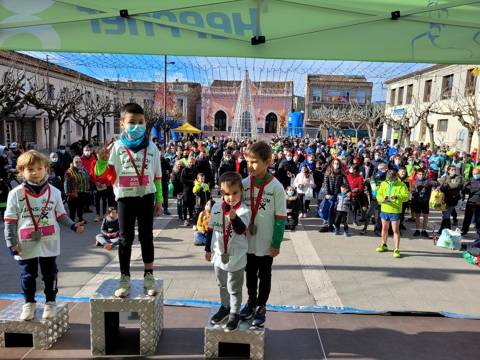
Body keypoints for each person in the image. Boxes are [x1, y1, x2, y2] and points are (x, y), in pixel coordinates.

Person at [3, 150, 84, 320]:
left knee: (50, 273)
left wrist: (73, 226)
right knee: (28, 274)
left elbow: (61, 215)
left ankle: (50, 302)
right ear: (21, 171)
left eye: (40, 168)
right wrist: (11, 241)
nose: (36, 172)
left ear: (46, 169)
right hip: (25, 241)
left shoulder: (54, 192)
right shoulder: (15, 194)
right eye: (30, 169)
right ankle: (29, 303)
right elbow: (10, 220)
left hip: (49, 240)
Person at [94, 103, 163, 298]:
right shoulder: (116, 147)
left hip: (146, 196)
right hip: (125, 198)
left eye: (140, 122)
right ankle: (124, 277)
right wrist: (100, 160)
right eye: (132, 122)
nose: (137, 126)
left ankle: (149, 275)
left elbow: (157, 177)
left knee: (147, 236)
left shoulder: (152, 148)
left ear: (145, 123)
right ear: (122, 124)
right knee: (125, 239)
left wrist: (159, 199)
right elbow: (102, 176)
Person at [240, 141, 287, 328]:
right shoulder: (243, 184)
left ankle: (261, 306)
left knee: (264, 275)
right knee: (249, 273)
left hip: (266, 243)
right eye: (247, 162)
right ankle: (251, 301)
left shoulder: (276, 187)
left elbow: (281, 218)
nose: (250, 166)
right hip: (247, 242)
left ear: (268, 162)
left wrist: (276, 243)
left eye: (254, 162)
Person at [205, 172, 251, 332]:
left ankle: (234, 313)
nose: (230, 197)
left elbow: (240, 229)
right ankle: (225, 306)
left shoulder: (244, 211)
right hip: (218, 254)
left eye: (234, 193)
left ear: (241, 191)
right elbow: (211, 229)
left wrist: (233, 218)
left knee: (234, 287)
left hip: (236, 256)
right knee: (222, 284)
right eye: (226, 194)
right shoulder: (217, 207)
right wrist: (207, 249)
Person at [375, 169, 409, 258]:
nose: (389, 180)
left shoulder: (402, 185)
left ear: (395, 177)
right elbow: (378, 194)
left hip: (395, 210)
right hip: (385, 209)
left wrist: (397, 196)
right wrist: (381, 199)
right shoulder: (383, 183)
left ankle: (396, 249)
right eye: (388, 178)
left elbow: (406, 197)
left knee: (395, 230)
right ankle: (383, 245)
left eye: (391, 179)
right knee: (384, 228)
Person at [64, 156, 90, 223]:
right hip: (73, 193)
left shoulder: (84, 170)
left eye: (79, 162)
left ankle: (80, 219)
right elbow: (66, 183)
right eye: (76, 162)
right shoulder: (69, 171)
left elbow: (88, 178)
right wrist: (68, 193)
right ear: (73, 162)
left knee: (80, 207)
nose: (78, 163)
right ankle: (71, 221)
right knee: (72, 208)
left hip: (83, 192)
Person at [438, 165, 463, 233]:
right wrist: (446, 185)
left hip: (453, 199)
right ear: (448, 170)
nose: (453, 171)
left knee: (446, 215)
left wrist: (447, 184)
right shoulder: (444, 177)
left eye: (454, 169)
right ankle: (443, 229)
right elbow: (441, 186)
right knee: (445, 215)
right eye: (451, 169)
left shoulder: (458, 177)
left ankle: (445, 230)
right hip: (444, 199)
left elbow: (457, 186)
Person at [410, 168, 435, 237]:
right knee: (417, 216)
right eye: (419, 174)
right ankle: (417, 230)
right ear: (417, 175)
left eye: (422, 174)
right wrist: (414, 190)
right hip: (417, 201)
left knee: (425, 216)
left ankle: (424, 230)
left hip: (425, 201)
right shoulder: (414, 182)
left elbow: (436, 184)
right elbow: (412, 191)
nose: (421, 175)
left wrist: (435, 185)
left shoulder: (427, 181)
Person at [461, 167, 480, 236]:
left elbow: (472, 189)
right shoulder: (470, 181)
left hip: (478, 202)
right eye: (474, 173)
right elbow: (465, 191)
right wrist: (465, 187)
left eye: (477, 173)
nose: (475, 175)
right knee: (467, 217)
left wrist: (471, 188)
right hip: (470, 201)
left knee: (478, 218)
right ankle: (464, 230)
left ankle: (478, 231)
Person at [181, 155, 198, 226]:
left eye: (193, 162)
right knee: (185, 204)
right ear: (188, 161)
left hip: (194, 190)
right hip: (186, 189)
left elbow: (198, 178)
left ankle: (191, 217)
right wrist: (192, 182)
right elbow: (182, 180)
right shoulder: (185, 170)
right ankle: (185, 219)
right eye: (190, 162)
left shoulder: (196, 169)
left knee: (192, 204)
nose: (191, 163)